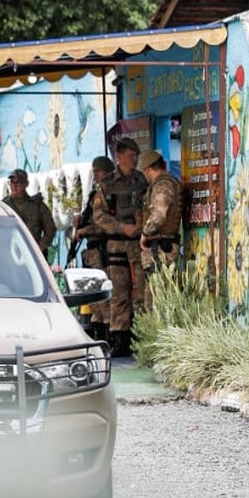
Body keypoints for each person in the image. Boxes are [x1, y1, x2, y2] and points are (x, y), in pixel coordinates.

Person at [92, 136, 147, 357]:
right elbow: (98, 215)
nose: (134, 160)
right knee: (118, 293)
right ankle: (119, 338)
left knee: (142, 292)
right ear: (119, 156)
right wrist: (121, 227)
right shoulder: (106, 184)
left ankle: (141, 335)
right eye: (131, 156)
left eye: (136, 156)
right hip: (116, 245)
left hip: (138, 245)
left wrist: (139, 226)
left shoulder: (142, 181)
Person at [67, 154, 115, 339]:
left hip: (103, 250)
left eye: (98, 172)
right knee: (93, 295)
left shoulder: (109, 193)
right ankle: (98, 326)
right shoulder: (96, 193)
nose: (95, 176)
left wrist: (85, 230)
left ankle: (108, 331)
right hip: (92, 251)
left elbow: (106, 224)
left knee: (103, 293)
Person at [139, 149, 183, 309]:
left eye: (144, 171)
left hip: (160, 250)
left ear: (149, 169)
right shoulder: (170, 182)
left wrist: (145, 233)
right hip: (163, 247)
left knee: (156, 301)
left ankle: (158, 333)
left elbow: (158, 215)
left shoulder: (162, 185)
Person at [5, 168, 56, 257]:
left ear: (26, 184)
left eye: (18, 182)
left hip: (34, 255)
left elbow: (50, 229)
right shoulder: (4, 206)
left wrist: (39, 247)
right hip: (11, 254)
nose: (14, 186)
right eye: (12, 182)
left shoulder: (38, 206)